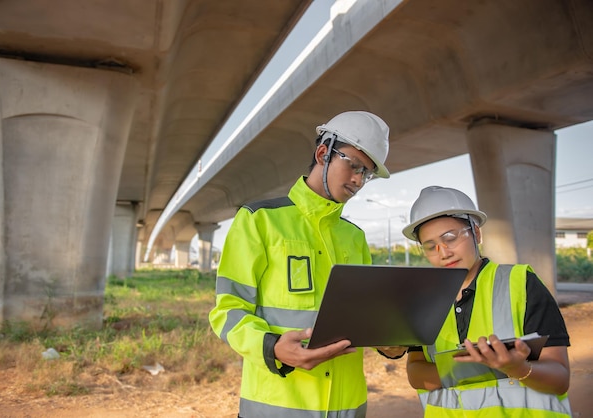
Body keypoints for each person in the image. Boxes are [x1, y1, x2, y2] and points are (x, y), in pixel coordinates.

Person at [208, 111, 406, 418]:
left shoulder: (355, 238)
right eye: (354, 165)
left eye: (366, 173)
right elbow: (228, 310)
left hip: (347, 407)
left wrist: (389, 344)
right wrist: (271, 347)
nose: (358, 180)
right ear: (323, 153)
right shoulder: (259, 220)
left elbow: (364, 318)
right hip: (279, 405)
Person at [402, 185, 572, 417]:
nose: (443, 253)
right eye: (431, 247)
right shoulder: (422, 301)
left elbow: (559, 379)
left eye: (450, 238)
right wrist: (481, 366)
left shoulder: (520, 282)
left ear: (477, 233)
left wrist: (517, 368)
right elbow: (415, 373)